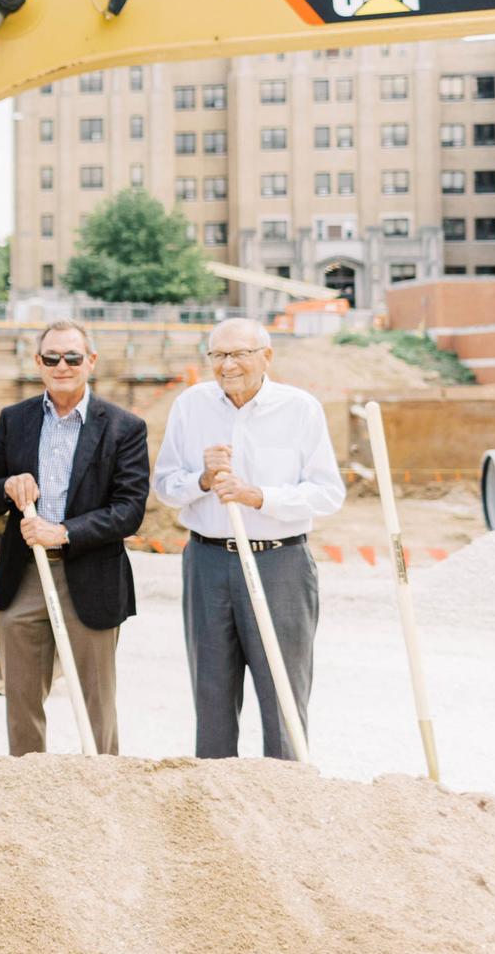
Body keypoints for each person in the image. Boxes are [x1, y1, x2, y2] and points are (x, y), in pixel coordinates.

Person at [152, 317, 344, 760]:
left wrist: (259, 496)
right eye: (218, 355)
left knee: (282, 692)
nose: (227, 365)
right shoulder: (190, 406)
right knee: (212, 691)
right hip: (208, 561)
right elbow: (164, 484)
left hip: (279, 563)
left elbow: (328, 493)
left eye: (239, 353)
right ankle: (217, 804)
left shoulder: (300, 409)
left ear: (266, 356)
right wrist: (202, 479)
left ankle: (285, 798)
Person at [0, 320, 149, 756]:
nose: (62, 365)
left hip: (92, 578)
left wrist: (64, 532)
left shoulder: (124, 427)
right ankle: (29, 787)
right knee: (22, 701)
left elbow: (129, 510)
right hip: (24, 578)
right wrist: (8, 487)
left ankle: (103, 785)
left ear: (90, 361)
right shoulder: (15, 420)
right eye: (52, 357)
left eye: (72, 357)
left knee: (96, 704)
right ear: (38, 363)